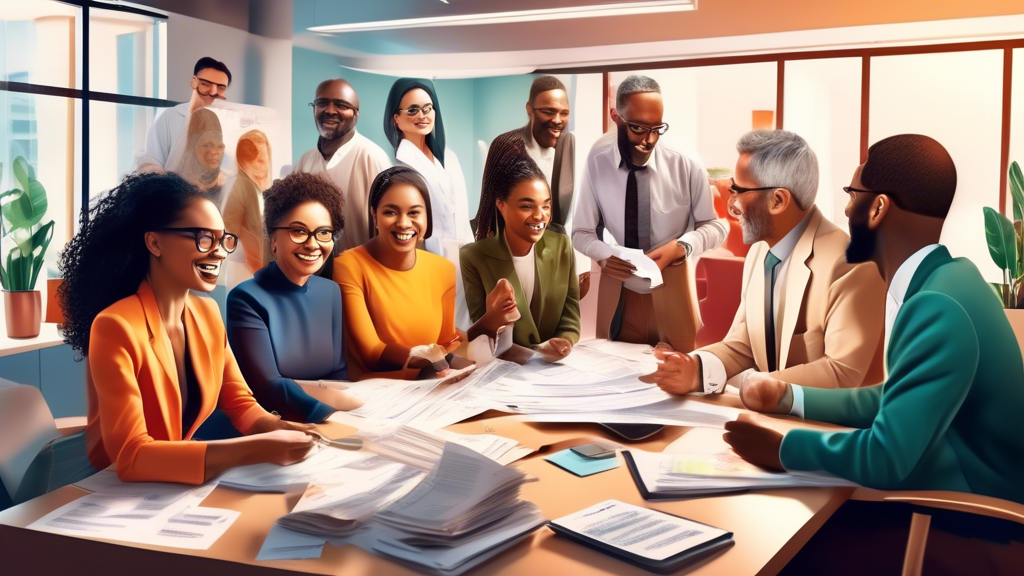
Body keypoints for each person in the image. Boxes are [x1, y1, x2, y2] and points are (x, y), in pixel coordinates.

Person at [724, 134, 1024, 506]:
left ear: (878, 207)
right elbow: (894, 398)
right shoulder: (950, 278)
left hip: (980, 518)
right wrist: (789, 397)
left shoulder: (936, 306)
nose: (847, 211)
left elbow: (886, 458)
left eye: (852, 196)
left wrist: (784, 449)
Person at [57, 172, 316, 484]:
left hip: (167, 480)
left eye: (223, 239)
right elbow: (131, 455)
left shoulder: (206, 313)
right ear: (154, 242)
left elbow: (238, 401)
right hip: (101, 484)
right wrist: (255, 449)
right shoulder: (116, 326)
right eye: (202, 238)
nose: (219, 251)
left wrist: (278, 428)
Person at [640, 130, 886, 394]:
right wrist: (694, 368)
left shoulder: (850, 265)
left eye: (739, 191)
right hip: (764, 413)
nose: (732, 204)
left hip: (819, 427)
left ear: (778, 201)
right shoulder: (760, 251)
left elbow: (842, 373)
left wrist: (753, 386)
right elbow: (744, 342)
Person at [572, 75, 728, 352]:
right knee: (613, 380)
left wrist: (682, 246)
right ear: (615, 117)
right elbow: (581, 232)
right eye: (638, 128)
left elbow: (716, 227)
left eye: (657, 128)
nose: (649, 140)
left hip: (674, 292)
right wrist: (603, 254)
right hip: (618, 296)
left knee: (678, 385)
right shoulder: (598, 158)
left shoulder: (686, 162)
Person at [334, 167, 520, 381]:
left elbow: (447, 342)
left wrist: (485, 338)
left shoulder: (442, 269)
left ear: (427, 217)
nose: (404, 223)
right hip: (379, 388)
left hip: (434, 381)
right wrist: (422, 356)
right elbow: (372, 352)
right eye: (390, 212)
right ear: (374, 215)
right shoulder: (349, 266)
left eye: (414, 212)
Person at [224, 173, 350, 424]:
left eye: (323, 233)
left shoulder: (331, 292)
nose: (313, 244)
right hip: (278, 425)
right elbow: (268, 387)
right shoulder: (245, 298)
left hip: (334, 419)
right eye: (298, 231)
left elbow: (338, 374)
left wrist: (354, 410)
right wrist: (334, 418)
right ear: (273, 240)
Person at [475, 75, 591, 298]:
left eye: (564, 113)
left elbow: (567, 212)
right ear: (530, 109)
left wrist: (579, 263)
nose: (557, 120)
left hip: (553, 250)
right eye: (548, 111)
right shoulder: (507, 145)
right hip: (512, 252)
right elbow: (488, 207)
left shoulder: (568, 145)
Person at [461, 151, 580, 361]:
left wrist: (565, 340)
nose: (539, 215)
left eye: (546, 205)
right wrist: (495, 315)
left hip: (553, 370)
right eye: (527, 206)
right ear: (501, 205)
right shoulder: (473, 257)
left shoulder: (561, 245)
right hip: (504, 367)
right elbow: (478, 332)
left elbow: (571, 314)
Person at [294, 78, 391, 254]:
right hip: (311, 272)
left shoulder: (373, 158)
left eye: (341, 105)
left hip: (360, 273)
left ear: (356, 113)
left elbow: (388, 227)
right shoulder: (305, 161)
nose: (330, 110)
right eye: (322, 103)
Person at [136, 57, 231, 173]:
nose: (213, 92)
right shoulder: (170, 117)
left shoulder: (229, 122)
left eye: (220, 87)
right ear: (194, 82)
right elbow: (153, 158)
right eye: (206, 84)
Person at [222, 129, 271, 286]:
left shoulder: (259, 188)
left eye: (266, 160)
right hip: (244, 271)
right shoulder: (238, 187)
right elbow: (230, 230)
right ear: (246, 162)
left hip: (258, 269)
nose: (266, 166)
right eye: (260, 161)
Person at [172, 108, 227, 207]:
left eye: (220, 146)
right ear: (192, 145)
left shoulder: (226, 180)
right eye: (207, 145)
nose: (215, 152)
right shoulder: (180, 182)